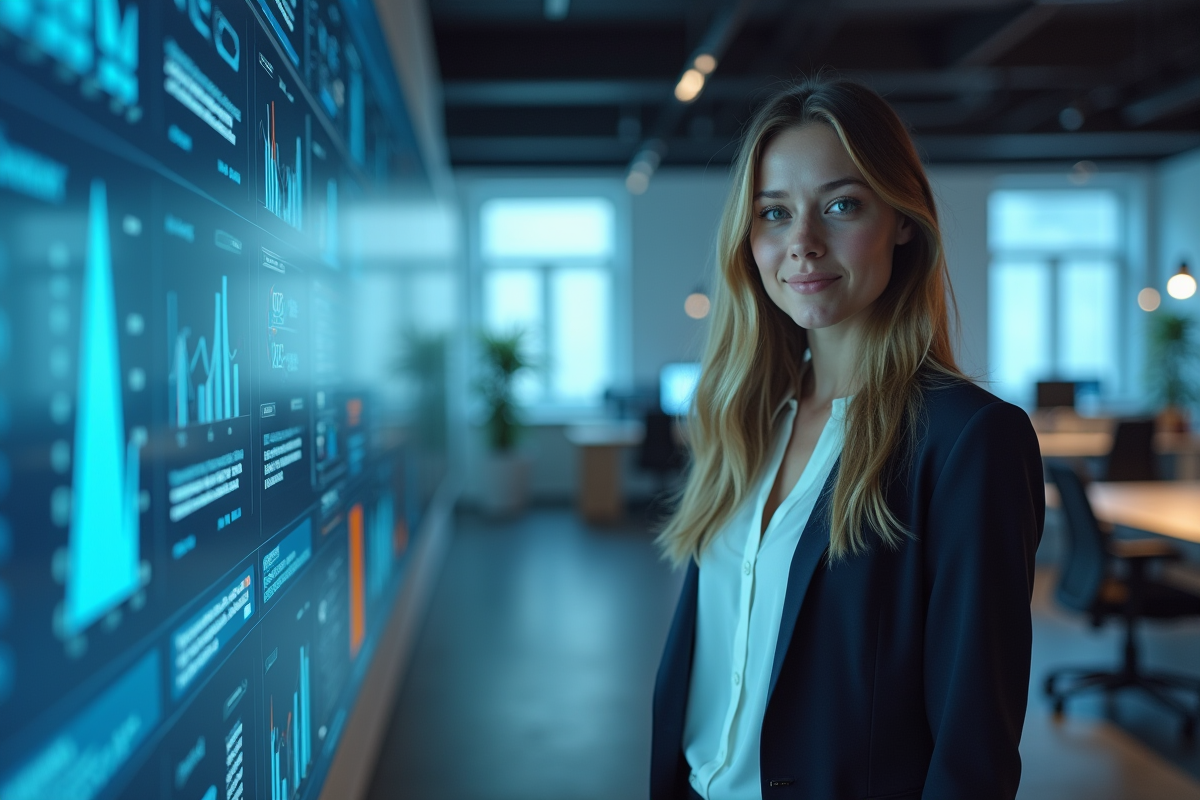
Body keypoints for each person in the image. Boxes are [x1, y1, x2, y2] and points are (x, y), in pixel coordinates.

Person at [650, 77, 1045, 800]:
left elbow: (973, 750)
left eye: (840, 205)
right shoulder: (742, 419)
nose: (801, 243)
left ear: (901, 219)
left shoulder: (968, 442)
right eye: (774, 212)